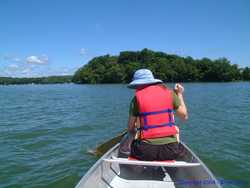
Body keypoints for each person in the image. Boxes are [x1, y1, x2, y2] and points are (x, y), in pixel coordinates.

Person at [127, 69, 188, 161]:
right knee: (176, 129)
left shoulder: (137, 98)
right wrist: (179, 94)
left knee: (132, 134)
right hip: (170, 150)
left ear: (138, 85)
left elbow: (130, 128)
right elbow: (184, 116)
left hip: (145, 151)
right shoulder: (170, 93)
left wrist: (136, 130)